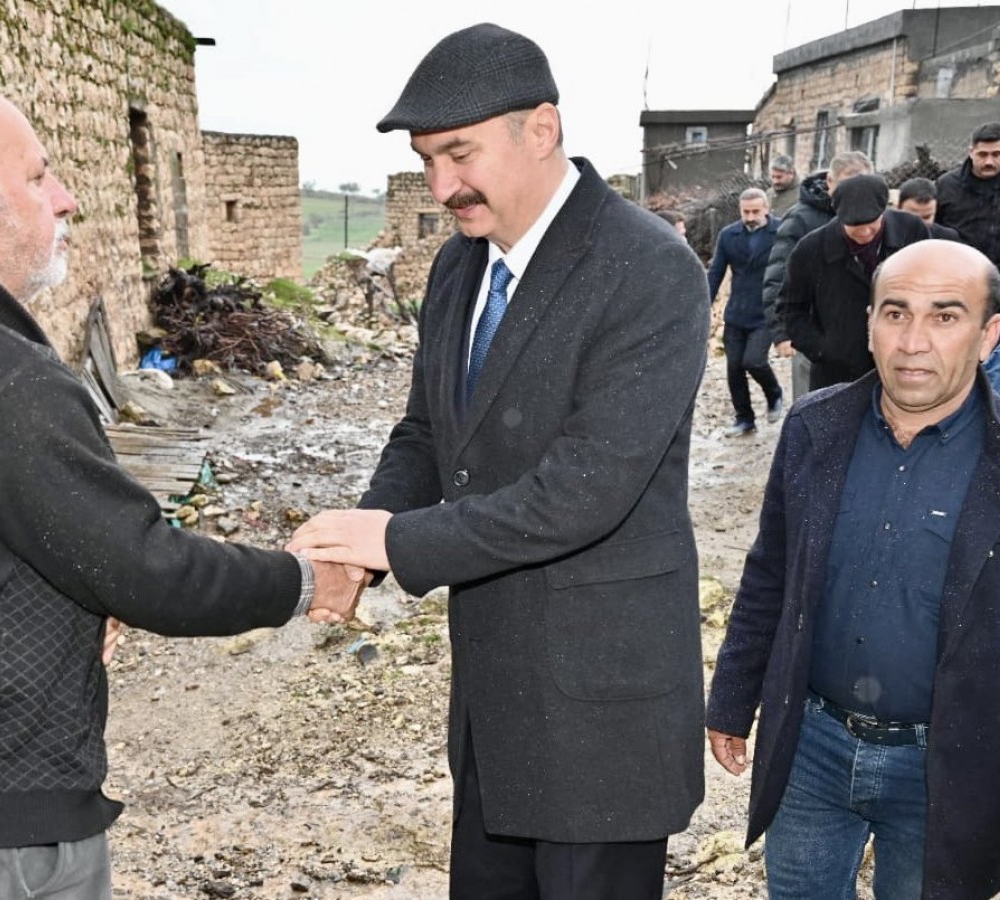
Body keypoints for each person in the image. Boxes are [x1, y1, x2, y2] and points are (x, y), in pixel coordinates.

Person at [0, 84, 364, 899]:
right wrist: (306, 579)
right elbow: (148, 569)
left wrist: (73, 599)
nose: (67, 198)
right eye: (38, 175)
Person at [288, 23, 709, 899]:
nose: (441, 185)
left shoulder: (648, 268)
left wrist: (394, 543)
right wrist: (353, 550)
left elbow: (582, 492)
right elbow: (424, 436)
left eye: (458, 154)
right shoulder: (455, 268)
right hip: (495, 704)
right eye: (425, 159)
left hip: (602, 719)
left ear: (541, 130)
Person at [706, 239, 1000, 899]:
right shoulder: (815, 427)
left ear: (988, 335)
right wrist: (732, 699)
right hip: (812, 749)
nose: (913, 341)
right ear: (867, 323)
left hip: (946, 767)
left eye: (944, 316)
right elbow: (768, 574)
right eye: (894, 313)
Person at [779, 172, 929, 390]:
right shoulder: (810, 250)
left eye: (872, 223)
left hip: (903, 360)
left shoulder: (912, 231)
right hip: (837, 372)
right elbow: (790, 310)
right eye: (855, 226)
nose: (865, 232)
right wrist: (823, 350)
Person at [762, 150, 874, 398]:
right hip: (815, 336)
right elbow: (777, 275)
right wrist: (782, 332)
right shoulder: (802, 220)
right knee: (813, 409)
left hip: (867, 339)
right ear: (830, 182)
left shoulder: (877, 221)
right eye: (848, 183)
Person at [707, 187, 785, 436]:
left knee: (754, 360)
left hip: (766, 312)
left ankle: (774, 393)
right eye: (745, 212)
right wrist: (704, 303)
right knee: (734, 368)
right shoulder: (729, 235)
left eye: (755, 211)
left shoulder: (781, 232)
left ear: (766, 209)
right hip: (737, 312)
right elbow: (716, 272)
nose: (750, 217)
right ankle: (744, 418)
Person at [935, 121, 1000, 300]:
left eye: (996, 154)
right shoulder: (947, 186)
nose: (989, 161)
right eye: (982, 154)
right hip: (959, 279)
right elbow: (934, 230)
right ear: (971, 152)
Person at [896, 176, 960, 240]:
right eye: (912, 217)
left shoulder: (948, 238)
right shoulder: (887, 234)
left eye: (926, 217)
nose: (920, 223)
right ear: (899, 208)